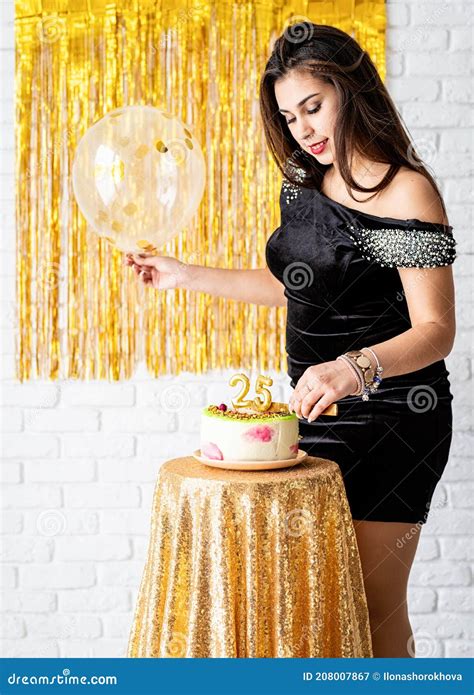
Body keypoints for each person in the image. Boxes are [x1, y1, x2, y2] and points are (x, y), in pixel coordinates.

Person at [125, 24, 457, 658]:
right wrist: (183, 274)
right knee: (318, 609)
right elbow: (297, 288)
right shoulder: (306, 184)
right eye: (289, 115)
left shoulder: (403, 190)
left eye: (314, 106)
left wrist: (350, 370)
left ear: (350, 90)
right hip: (318, 414)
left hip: (392, 419)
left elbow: (436, 330)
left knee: (375, 609)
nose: (303, 128)